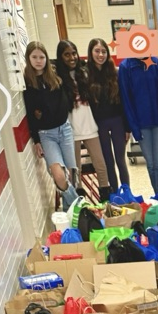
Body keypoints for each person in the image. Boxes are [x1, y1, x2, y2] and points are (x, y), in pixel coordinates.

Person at [22, 41, 79, 208]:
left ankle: (72, 214)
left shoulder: (55, 76)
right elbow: (30, 115)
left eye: (42, 57)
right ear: (28, 58)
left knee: (71, 174)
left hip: (65, 129)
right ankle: (79, 205)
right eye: (34, 57)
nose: (38, 60)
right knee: (59, 174)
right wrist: (36, 140)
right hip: (46, 135)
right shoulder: (27, 83)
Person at [55, 40, 111, 201]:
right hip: (70, 130)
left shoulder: (84, 73)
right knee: (75, 170)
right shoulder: (58, 77)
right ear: (61, 56)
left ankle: (105, 201)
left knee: (100, 165)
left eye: (74, 53)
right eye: (67, 54)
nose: (72, 57)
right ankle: (79, 204)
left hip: (90, 127)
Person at [118, 49, 158, 199]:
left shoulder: (156, 63)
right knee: (151, 164)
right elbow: (126, 99)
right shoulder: (126, 67)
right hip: (141, 124)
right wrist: (133, 127)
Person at [85, 38, 130, 197]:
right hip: (99, 124)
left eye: (104, 51)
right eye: (97, 51)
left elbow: (123, 100)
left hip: (117, 121)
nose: (101, 54)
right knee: (108, 162)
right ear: (91, 53)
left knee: (120, 160)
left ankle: (126, 193)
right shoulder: (86, 74)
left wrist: (127, 126)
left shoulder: (115, 72)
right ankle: (115, 194)